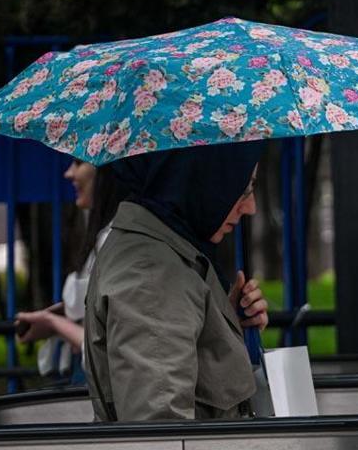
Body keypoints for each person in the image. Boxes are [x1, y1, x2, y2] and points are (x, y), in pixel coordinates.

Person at [83, 141, 269, 421]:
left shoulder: (166, 253)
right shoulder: (151, 276)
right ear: (205, 179)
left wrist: (223, 324)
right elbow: (161, 433)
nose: (250, 207)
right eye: (242, 188)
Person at [15, 160, 123, 384]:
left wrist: (53, 323)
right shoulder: (105, 236)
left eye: (79, 162)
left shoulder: (118, 243)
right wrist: (56, 316)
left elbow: (109, 348)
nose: (68, 173)